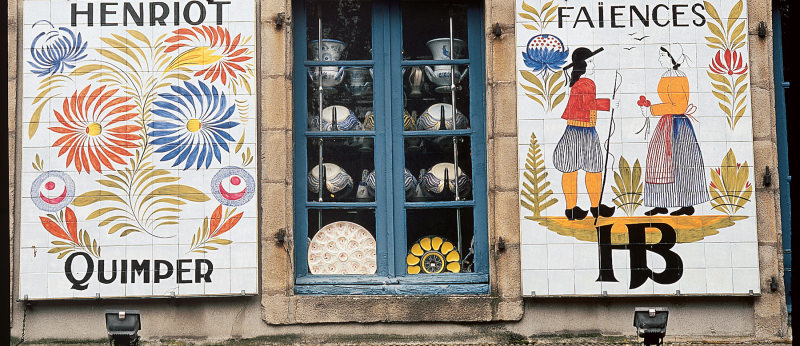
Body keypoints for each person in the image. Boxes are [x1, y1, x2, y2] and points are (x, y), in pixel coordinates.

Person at [639, 44, 709, 216]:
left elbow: (679, 106)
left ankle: (687, 204)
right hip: (666, 123)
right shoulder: (666, 76)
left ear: (672, 58)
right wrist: (651, 108)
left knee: (681, 163)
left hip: (678, 125)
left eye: (662, 56)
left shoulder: (678, 78)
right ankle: (660, 202)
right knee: (659, 163)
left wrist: (652, 110)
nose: (659, 59)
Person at [553, 47, 618, 220]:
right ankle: (593, 207)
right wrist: (609, 104)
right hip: (582, 131)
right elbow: (588, 104)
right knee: (591, 169)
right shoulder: (586, 83)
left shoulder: (578, 82)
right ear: (583, 64)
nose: (594, 63)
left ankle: (572, 208)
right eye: (590, 60)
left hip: (576, 129)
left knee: (573, 170)